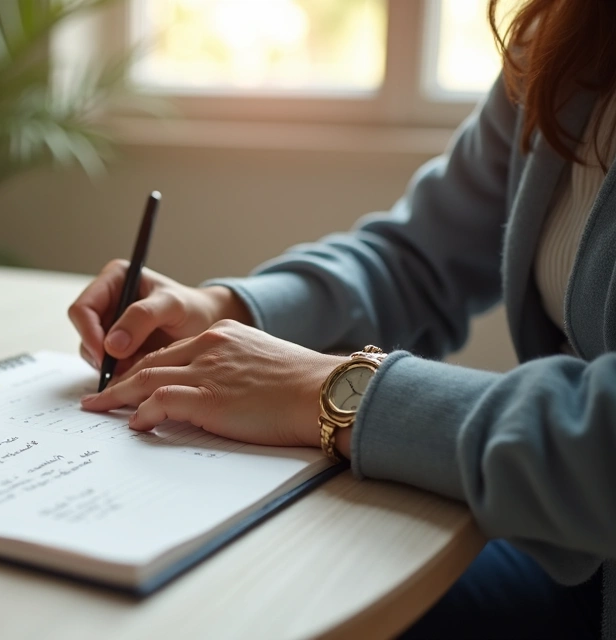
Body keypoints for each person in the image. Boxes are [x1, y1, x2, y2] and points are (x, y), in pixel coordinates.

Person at [69, 1, 616, 637]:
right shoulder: (571, 32)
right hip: (568, 553)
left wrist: (336, 390)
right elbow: (417, 256)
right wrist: (231, 310)